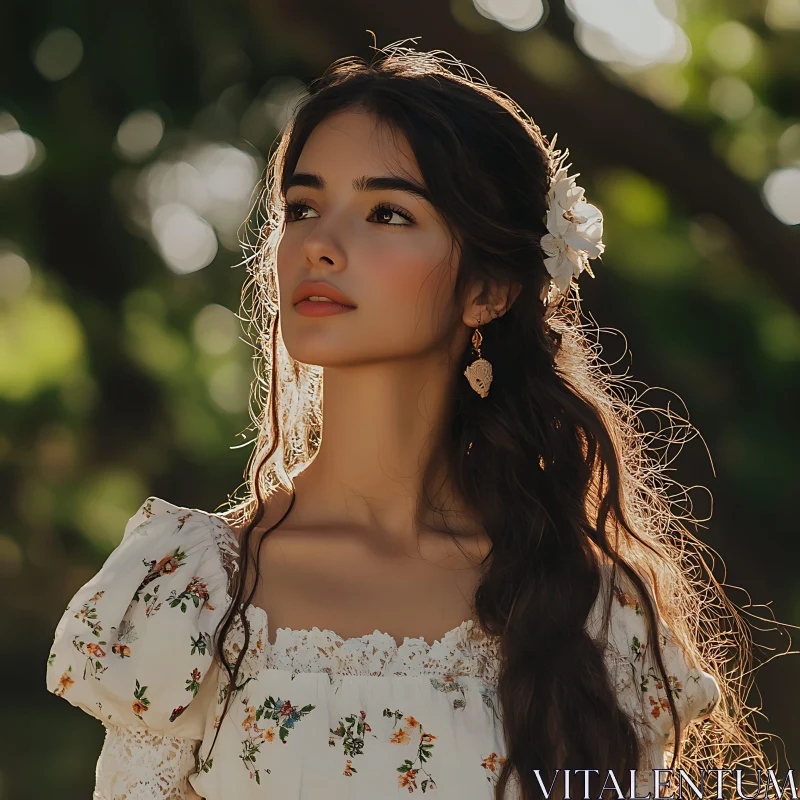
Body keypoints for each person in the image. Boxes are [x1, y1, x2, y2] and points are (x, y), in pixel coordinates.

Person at [45, 43, 770, 800]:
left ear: (489, 289)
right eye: (302, 207)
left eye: (387, 212)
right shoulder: (192, 593)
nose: (319, 245)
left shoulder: (587, 610)